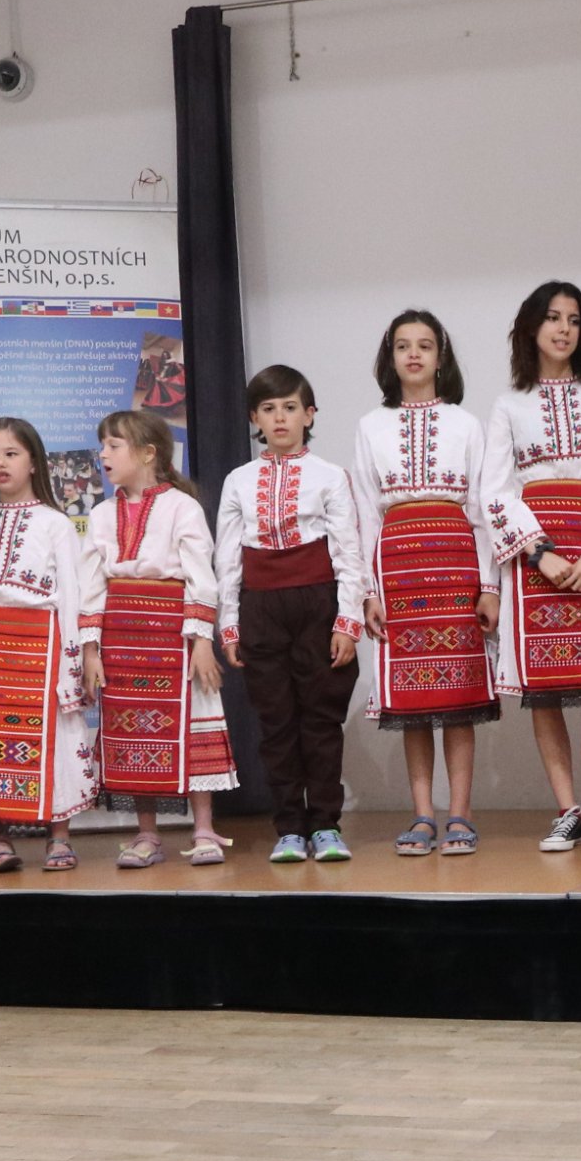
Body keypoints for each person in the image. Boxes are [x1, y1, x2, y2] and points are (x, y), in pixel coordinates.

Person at [482, 281, 581, 853]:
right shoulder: (508, 405)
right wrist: (540, 553)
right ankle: (566, 810)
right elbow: (495, 490)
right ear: (531, 327)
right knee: (546, 691)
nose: (563, 329)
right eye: (552, 318)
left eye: (574, 320)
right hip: (538, 558)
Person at [353, 310, 501, 857]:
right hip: (398, 568)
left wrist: (490, 585)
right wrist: (369, 590)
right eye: (402, 346)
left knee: (458, 699)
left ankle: (461, 813)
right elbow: (365, 512)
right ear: (390, 358)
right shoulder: (371, 426)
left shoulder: (467, 424)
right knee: (412, 704)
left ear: (441, 357)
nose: (413, 354)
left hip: (457, 561)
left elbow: (482, 508)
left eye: (424, 345)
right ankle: (422, 814)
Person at [215, 365, 365, 864]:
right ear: (254, 418)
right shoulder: (238, 481)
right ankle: (289, 829)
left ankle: (325, 825)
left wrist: (347, 622)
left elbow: (347, 551)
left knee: (320, 719)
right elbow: (227, 557)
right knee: (276, 722)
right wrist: (230, 624)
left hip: (317, 603)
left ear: (309, 414)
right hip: (261, 607)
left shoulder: (330, 476)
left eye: (290, 407)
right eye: (268, 408)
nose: (280, 417)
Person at [81, 410, 239, 867]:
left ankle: (204, 828)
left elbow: (200, 575)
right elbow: (90, 583)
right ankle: (147, 833)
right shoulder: (101, 514)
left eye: (114, 445)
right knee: (130, 731)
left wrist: (202, 640)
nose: (103, 454)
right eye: (103, 445)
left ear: (149, 453)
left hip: (175, 636)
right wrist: (91, 649)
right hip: (121, 639)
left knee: (195, 723)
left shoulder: (182, 507)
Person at [0, 417, 97, 872]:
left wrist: (73, 663)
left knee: (55, 740)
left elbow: (71, 596)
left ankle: (59, 838)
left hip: (41, 650)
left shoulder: (55, 524)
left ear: (32, 462)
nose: (0, 463)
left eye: (11, 453)